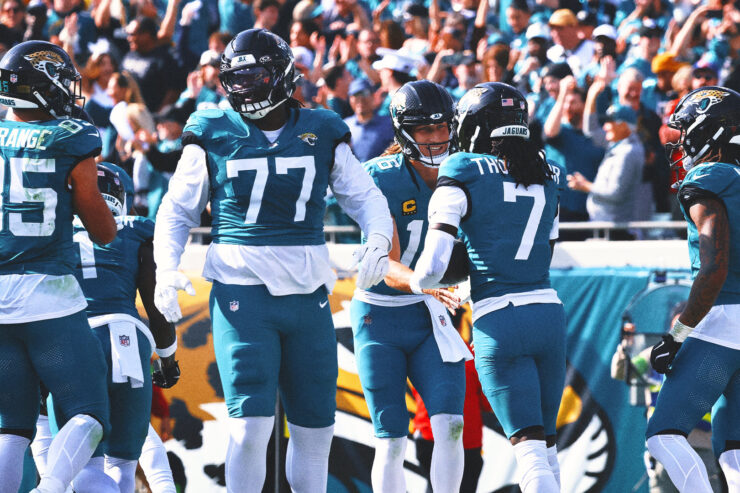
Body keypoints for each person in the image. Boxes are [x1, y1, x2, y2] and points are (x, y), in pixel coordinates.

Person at [151, 29, 393, 493]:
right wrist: (166, 266)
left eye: (254, 76)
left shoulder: (322, 128)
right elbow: (177, 209)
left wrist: (379, 239)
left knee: (316, 432)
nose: (243, 88)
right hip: (242, 293)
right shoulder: (212, 128)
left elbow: (366, 198)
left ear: (281, 75)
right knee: (249, 428)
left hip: (308, 296)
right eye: (235, 78)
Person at [410, 82, 566, 493]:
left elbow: (432, 267)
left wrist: (413, 282)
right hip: (549, 313)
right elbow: (544, 252)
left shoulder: (462, 167)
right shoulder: (548, 172)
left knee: (530, 454)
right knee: (548, 450)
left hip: (499, 318)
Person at [0, 40, 116, 493]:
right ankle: (50, 488)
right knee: (89, 411)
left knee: (11, 428)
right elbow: (103, 231)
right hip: (48, 294)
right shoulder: (70, 136)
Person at [351, 80, 469, 493]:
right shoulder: (381, 177)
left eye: (441, 127)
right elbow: (386, 264)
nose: (436, 138)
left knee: (451, 424)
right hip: (379, 316)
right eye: (424, 129)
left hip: (427, 317)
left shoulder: (464, 170)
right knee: (392, 439)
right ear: (404, 132)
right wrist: (425, 284)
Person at [49, 163, 180, 493]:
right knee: (124, 462)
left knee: (84, 465)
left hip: (74, 337)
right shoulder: (138, 229)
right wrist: (167, 358)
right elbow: (155, 302)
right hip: (128, 339)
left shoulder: (53, 230)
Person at [646, 86, 740, 493]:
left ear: (710, 130)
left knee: (663, 434)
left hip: (723, 322)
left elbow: (714, 266)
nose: (681, 141)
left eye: (686, 131)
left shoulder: (709, 177)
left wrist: (678, 333)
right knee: (733, 451)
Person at [343, 78, 394, 163]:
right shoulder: (345, 126)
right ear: (350, 99)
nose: (360, 99)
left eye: (364, 94)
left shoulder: (388, 125)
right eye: (355, 95)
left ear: (373, 96)